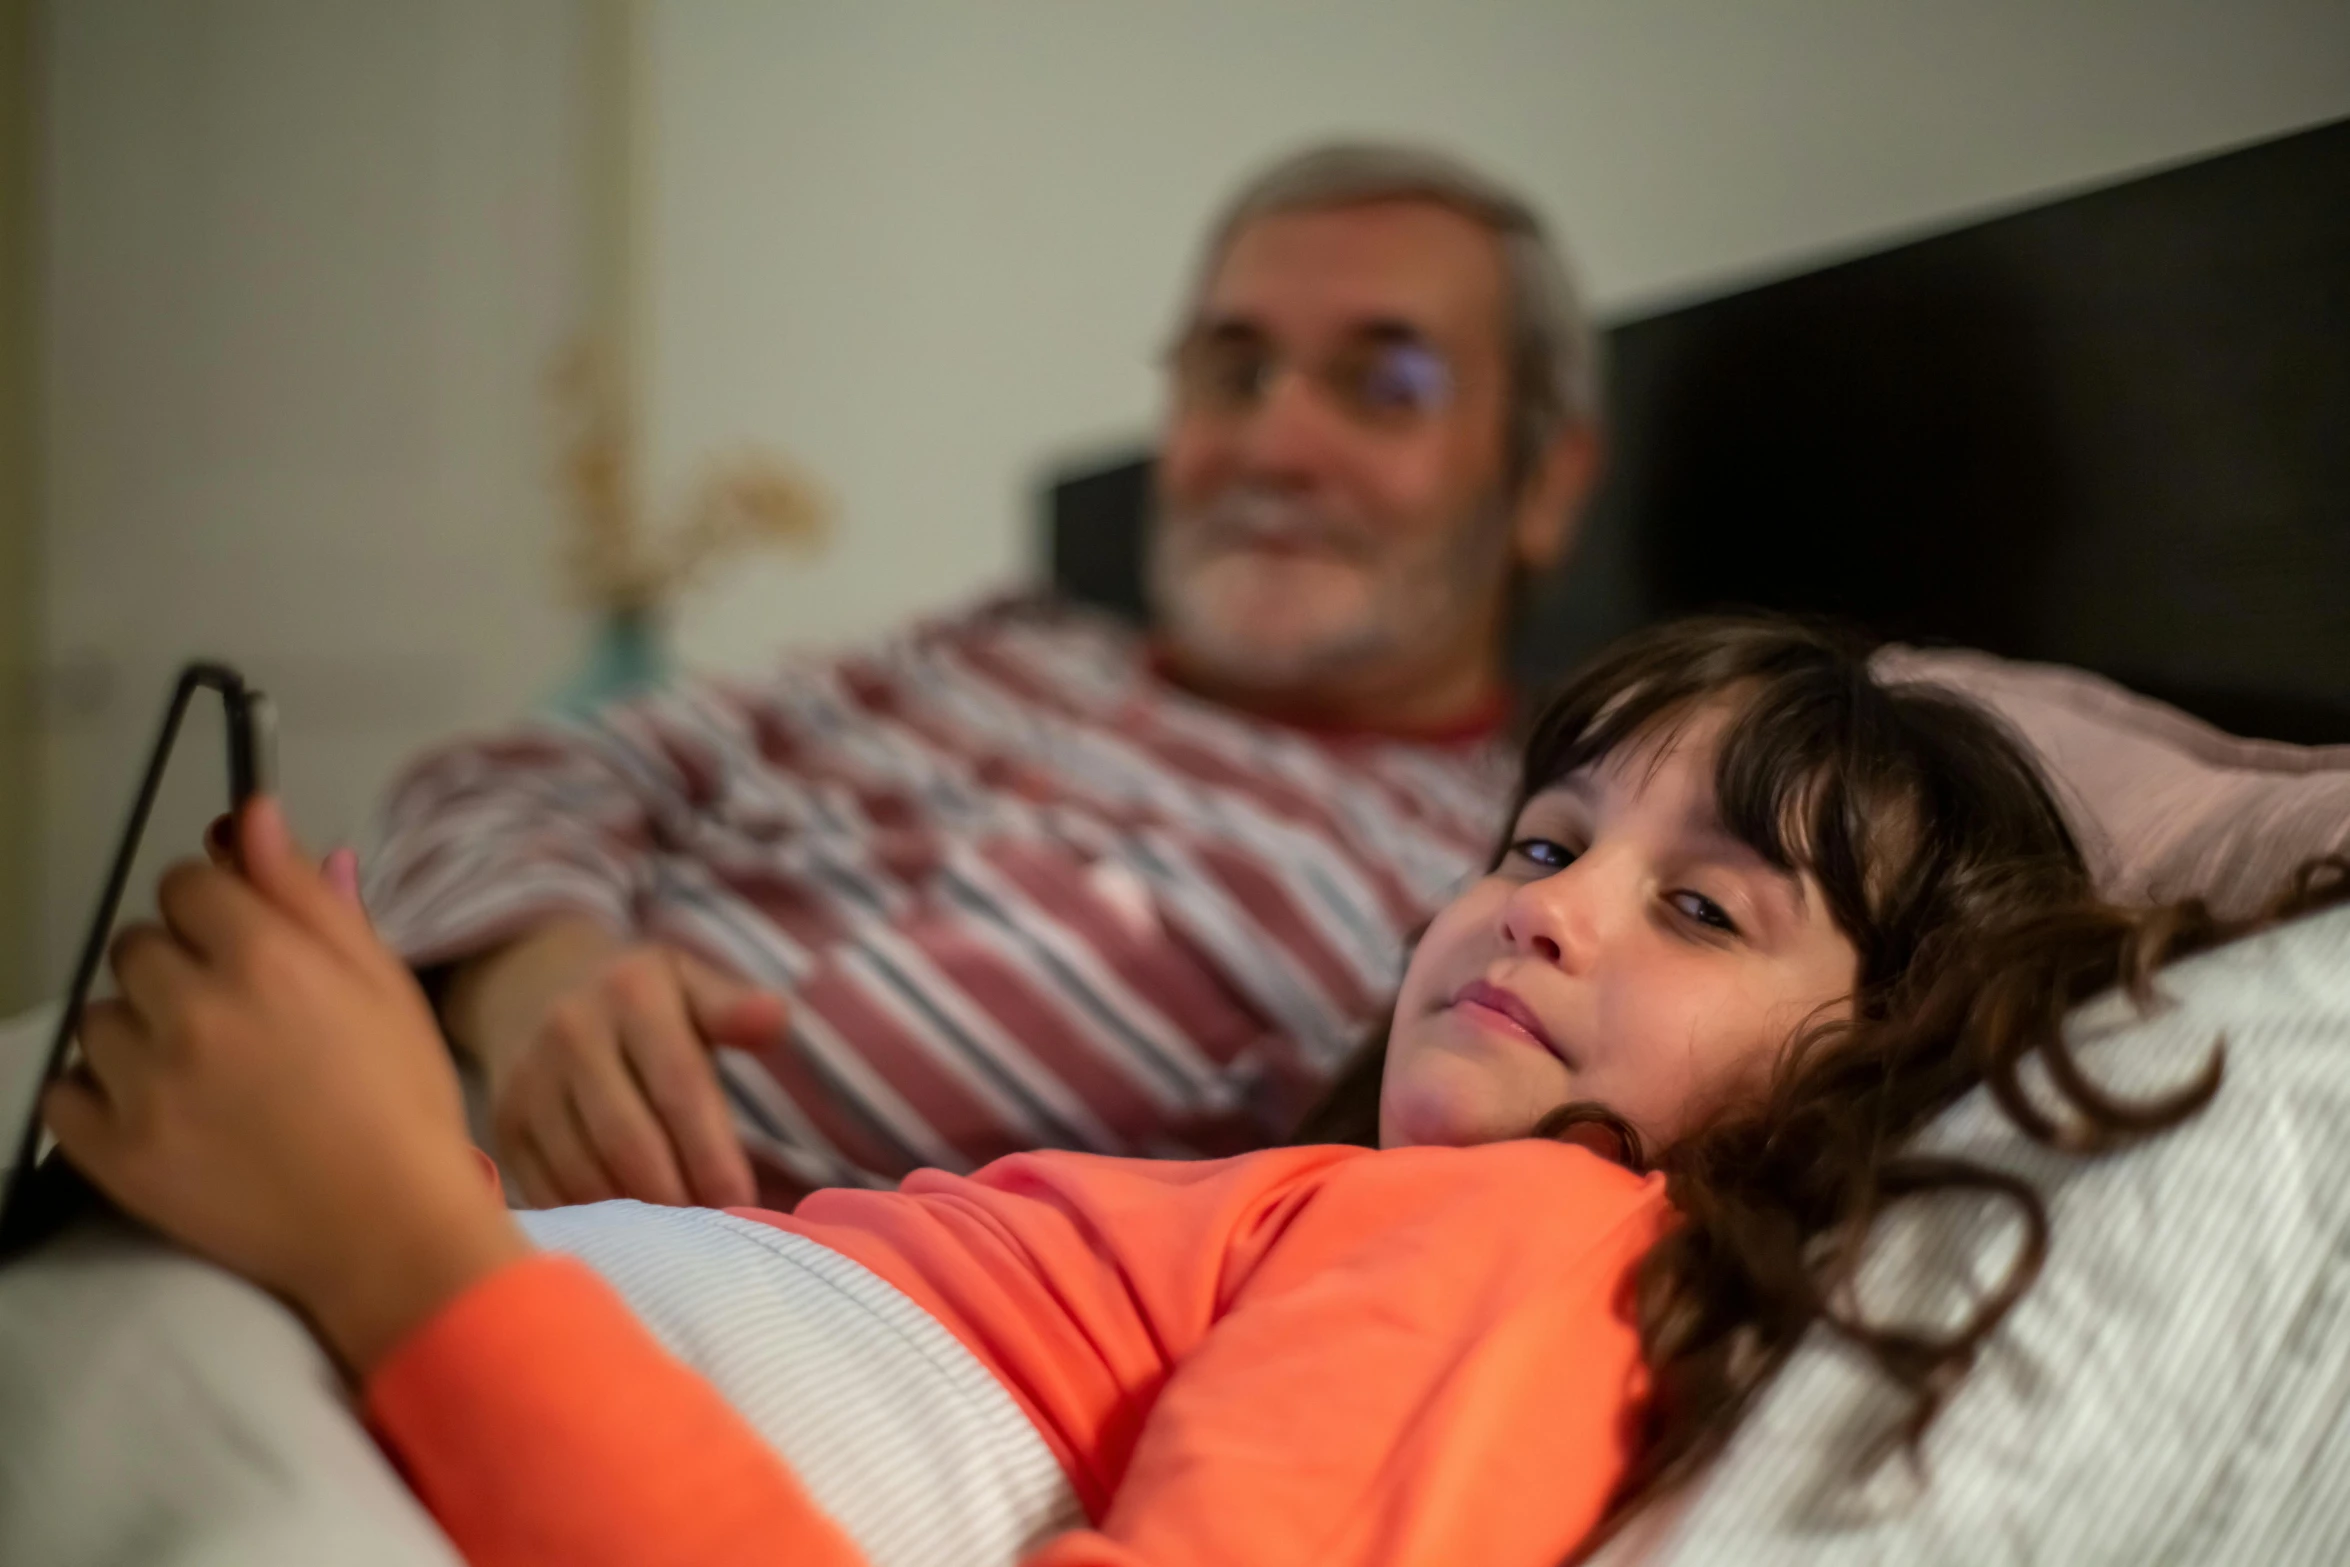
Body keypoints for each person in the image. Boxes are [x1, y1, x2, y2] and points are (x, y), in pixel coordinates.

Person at [47, 617, 2305, 1567]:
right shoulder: (1326, 1194)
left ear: (1870, 1067)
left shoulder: (1537, 1233)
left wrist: (387, 1231)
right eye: (1536, 843)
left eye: (1701, 911)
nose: (1541, 907)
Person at [363, 140, 1606, 1209]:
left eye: (1385, 385)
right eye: (1232, 372)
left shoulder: (1507, 876)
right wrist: (539, 977)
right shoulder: (1000, 644)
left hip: (627, 1298)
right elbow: (516, 772)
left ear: (1544, 481)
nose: (1274, 443)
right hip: (383, 1123)